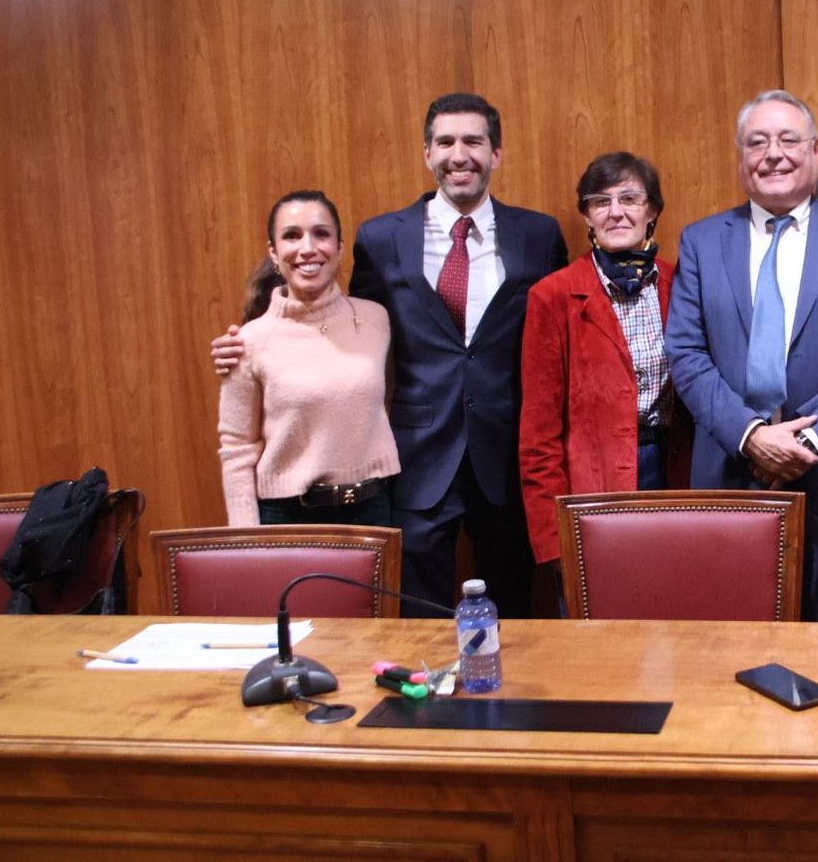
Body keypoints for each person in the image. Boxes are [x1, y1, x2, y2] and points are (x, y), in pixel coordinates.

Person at [214, 94, 567, 616]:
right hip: (417, 459)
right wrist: (248, 341)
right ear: (427, 153)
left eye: (473, 141)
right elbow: (339, 326)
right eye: (445, 142)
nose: (459, 154)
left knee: (513, 613)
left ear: (496, 153)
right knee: (416, 616)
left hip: (507, 457)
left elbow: (555, 335)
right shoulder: (381, 239)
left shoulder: (538, 235)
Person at [665, 90, 818, 622]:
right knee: (734, 644)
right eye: (757, 142)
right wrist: (751, 436)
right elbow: (686, 352)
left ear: (815, 152)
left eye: (788, 140)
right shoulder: (702, 241)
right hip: (732, 476)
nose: (773, 153)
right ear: (741, 157)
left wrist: (807, 441)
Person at [519, 152, 691, 571]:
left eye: (630, 199)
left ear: (652, 211)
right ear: (587, 216)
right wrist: (553, 540)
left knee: (676, 600)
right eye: (600, 201)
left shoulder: (682, 284)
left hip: (678, 477)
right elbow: (538, 436)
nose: (616, 212)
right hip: (594, 489)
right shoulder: (553, 296)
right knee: (604, 607)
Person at [217, 190, 399, 527]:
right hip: (287, 518)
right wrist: (246, 538)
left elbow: (388, 399)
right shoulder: (248, 341)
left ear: (339, 248)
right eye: (291, 236)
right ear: (274, 252)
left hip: (371, 512)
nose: (307, 247)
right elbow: (236, 449)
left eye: (321, 233)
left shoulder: (376, 319)